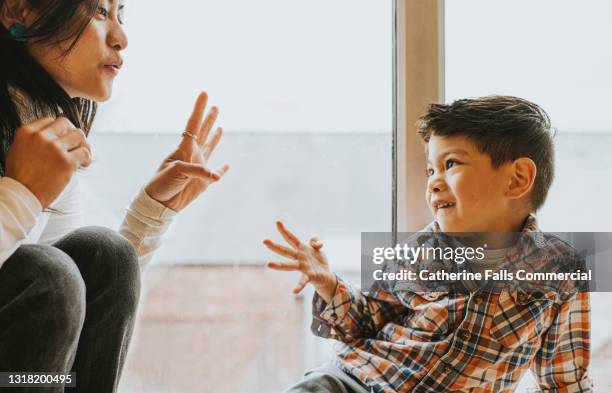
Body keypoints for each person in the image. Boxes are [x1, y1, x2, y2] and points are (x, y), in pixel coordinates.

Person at [265, 96, 592, 392]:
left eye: (451, 164)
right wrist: (329, 284)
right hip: (354, 382)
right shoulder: (420, 250)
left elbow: (564, 381)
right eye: (430, 169)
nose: (433, 182)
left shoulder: (560, 270)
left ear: (517, 178)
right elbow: (365, 321)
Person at [0, 0, 229, 392]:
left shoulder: (44, 124)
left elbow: (74, 319)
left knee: (106, 253)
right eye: (99, 12)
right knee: (48, 274)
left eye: (120, 13)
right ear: (20, 11)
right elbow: (48, 284)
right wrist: (21, 196)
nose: (121, 38)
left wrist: (152, 213)